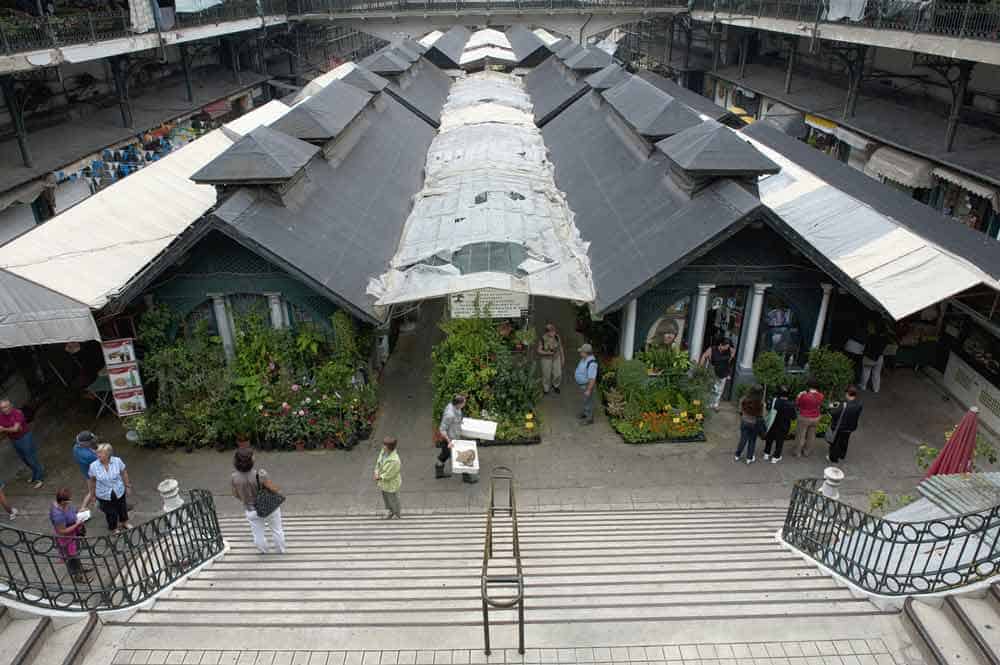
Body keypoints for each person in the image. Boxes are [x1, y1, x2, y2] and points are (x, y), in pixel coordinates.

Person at [231, 448, 287, 554]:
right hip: (269, 507)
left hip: (251, 510)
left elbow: (235, 494)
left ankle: (264, 552)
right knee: (277, 530)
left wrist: (246, 499)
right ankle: (280, 551)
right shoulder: (260, 474)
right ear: (250, 461)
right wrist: (278, 490)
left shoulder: (234, 477)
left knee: (258, 534)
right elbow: (273, 488)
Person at [82, 443, 131, 533]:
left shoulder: (117, 461)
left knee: (122, 508)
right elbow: (92, 481)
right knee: (110, 513)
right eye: (97, 453)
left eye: (101, 453)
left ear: (108, 454)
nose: (98, 455)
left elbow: (124, 473)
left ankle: (124, 522)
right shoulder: (93, 466)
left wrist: (127, 486)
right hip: (103, 495)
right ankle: (114, 528)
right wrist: (92, 495)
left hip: (119, 491)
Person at [0, 398, 44, 489]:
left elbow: (16, 429)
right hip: (14, 440)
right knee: (24, 459)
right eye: (2, 408)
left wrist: (4, 429)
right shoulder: (1, 416)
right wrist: (7, 429)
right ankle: (35, 474)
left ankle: (40, 478)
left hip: (24, 438)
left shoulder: (18, 413)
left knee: (31, 458)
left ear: (11, 405)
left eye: (6, 406)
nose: (5, 409)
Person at [50, 488, 90, 584]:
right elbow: (62, 531)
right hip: (66, 540)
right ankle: (78, 577)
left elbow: (73, 511)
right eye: (68, 500)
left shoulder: (66, 505)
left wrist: (80, 511)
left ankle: (80, 569)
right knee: (72, 558)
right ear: (62, 501)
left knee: (76, 554)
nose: (70, 501)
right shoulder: (57, 515)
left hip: (73, 535)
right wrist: (77, 524)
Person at [827, 386, 864, 464]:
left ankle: (833, 458)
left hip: (840, 427)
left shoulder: (844, 405)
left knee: (836, 443)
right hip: (850, 427)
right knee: (845, 441)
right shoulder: (859, 404)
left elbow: (834, 413)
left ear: (848, 394)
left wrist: (832, 407)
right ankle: (842, 455)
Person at [436, 395, 466, 480]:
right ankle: (439, 472)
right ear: (458, 404)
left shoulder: (455, 407)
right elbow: (442, 429)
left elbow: (457, 419)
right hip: (449, 438)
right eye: (463, 403)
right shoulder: (450, 415)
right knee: (445, 454)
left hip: (454, 435)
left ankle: (440, 470)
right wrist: (449, 441)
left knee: (446, 454)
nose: (464, 405)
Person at [762, 387, 796, 463]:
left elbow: (768, 409)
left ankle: (766, 454)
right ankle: (775, 457)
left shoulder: (774, 401)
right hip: (784, 426)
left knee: (769, 439)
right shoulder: (790, 405)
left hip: (772, 423)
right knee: (780, 441)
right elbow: (794, 417)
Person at [700, 339, 735, 411]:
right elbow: (704, 356)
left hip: (724, 371)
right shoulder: (712, 349)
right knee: (712, 387)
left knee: (720, 389)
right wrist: (700, 367)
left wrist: (731, 357)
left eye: (728, 347)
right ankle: (708, 404)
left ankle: (715, 404)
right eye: (726, 347)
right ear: (721, 345)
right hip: (713, 370)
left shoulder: (729, 350)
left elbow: (732, 353)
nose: (727, 348)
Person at [794, 379, 825, 457]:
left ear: (809, 386)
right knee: (811, 436)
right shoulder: (821, 396)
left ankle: (798, 452)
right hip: (815, 417)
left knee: (801, 435)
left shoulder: (804, 396)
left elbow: (798, 404)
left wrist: (799, 395)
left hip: (804, 417)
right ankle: (807, 452)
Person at [734, 386, 764, 464]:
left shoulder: (744, 399)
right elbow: (762, 415)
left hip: (744, 421)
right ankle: (749, 458)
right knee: (752, 441)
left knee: (743, 439)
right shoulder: (761, 402)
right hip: (754, 424)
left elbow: (740, 409)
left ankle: (737, 455)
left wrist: (742, 415)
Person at [374, 437, 402, 520]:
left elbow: (390, 474)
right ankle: (390, 511)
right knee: (386, 499)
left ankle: (397, 513)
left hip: (391, 484)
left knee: (393, 499)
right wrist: (376, 471)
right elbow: (378, 462)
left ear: (389, 447)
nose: (383, 446)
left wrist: (379, 477)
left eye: (384, 445)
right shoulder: (383, 452)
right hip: (384, 483)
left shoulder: (395, 461)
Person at [574, 344, 598, 425]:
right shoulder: (584, 359)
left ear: (586, 353)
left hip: (588, 385)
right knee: (585, 400)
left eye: (581, 352)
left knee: (589, 401)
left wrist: (588, 390)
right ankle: (585, 413)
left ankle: (589, 418)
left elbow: (592, 379)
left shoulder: (592, 363)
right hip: (583, 385)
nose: (580, 353)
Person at [537, 323, 564, 395]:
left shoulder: (557, 337)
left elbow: (560, 347)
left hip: (556, 358)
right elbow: (539, 350)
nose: (553, 332)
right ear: (547, 332)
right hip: (546, 359)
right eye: (551, 331)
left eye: (553, 331)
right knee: (546, 375)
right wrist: (547, 353)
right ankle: (546, 389)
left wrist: (562, 357)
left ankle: (556, 385)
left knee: (558, 373)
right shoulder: (543, 339)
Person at [861, 329, 888, 393]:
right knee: (877, 374)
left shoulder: (871, 336)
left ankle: (863, 386)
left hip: (869, 356)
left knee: (866, 371)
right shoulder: (885, 338)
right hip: (880, 357)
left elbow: (866, 345)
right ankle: (876, 389)